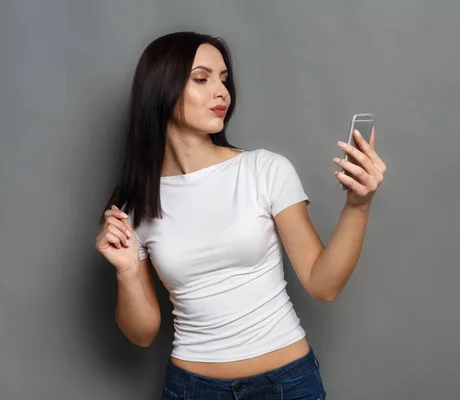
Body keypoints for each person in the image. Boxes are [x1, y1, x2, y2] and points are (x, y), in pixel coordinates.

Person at [95, 31, 387, 400]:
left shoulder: (265, 170)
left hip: (287, 385)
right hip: (192, 389)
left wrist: (358, 204)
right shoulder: (137, 207)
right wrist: (126, 272)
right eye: (202, 79)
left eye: (223, 79)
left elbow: (322, 284)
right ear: (161, 89)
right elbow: (142, 333)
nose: (222, 92)